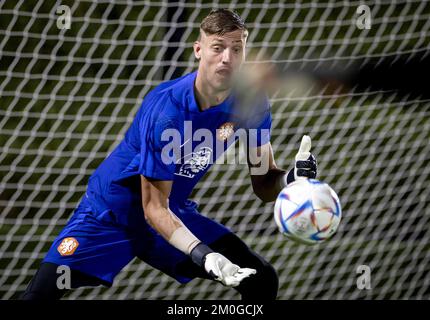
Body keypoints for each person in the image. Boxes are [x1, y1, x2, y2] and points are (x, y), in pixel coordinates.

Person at [21, 8, 317, 300]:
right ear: (198, 50)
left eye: (236, 49)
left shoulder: (251, 102)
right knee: (41, 294)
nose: (227, 58)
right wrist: (204, 256)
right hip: (112, 214)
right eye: (218, 48)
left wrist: (291, 179)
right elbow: (152, 208)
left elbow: (264, 185)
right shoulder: (167, 109)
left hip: (172, 211)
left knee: (261, 280)